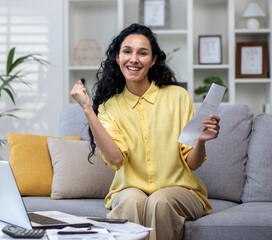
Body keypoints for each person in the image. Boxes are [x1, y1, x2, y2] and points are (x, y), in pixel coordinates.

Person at [70, 23, 220, 240]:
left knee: (159, 201)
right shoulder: (109, 107)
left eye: (143, 53)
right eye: (127, 51)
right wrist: (87, 109)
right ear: (117, 57)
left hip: (180, 191)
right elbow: (115, 157)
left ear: (153, 60)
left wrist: (202, 142)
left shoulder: (178, 97)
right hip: (129, 190)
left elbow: (192, 163)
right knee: (132, 201)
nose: (134, 59)